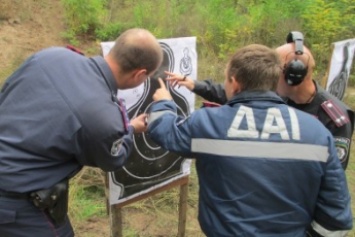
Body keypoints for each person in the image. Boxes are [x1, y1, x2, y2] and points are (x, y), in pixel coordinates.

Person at [147, 44, 353, 236]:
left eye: (226, 79)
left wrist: (164, 104)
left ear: (234, 83)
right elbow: (335, 217)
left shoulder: (208, 123)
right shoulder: (317, 131)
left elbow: (165, 131)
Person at [0, 28, 162, 237]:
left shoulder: (51, 55)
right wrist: (131, 129)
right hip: (18, 206)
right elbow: (112, 160)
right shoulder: (103, 116)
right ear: (139, 74)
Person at [167, 32, 354, 170]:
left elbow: (331, 175)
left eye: (274, 68)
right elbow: (240, 96)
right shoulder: (278, 94)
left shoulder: (334, 119)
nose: (268, 73)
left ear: (293, 76)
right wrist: (195, 85)